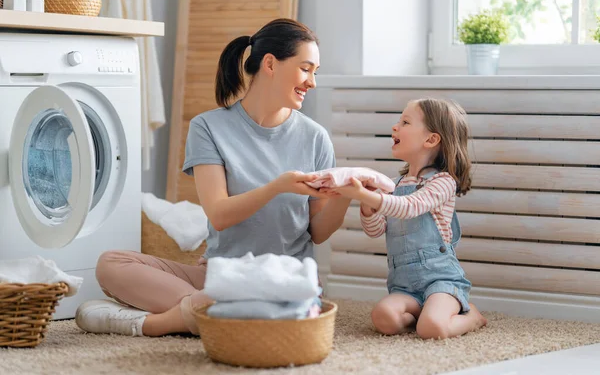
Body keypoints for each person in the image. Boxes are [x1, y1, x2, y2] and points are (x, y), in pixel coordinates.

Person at [75, 18, 351, 337]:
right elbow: (219, 215)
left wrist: (344, 196)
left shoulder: (315, 138)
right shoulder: (208, 128)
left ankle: (156, 323)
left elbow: (317, 232)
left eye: (314, 71)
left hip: (283, 280)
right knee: (111, 263)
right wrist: (278, 186)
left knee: (258, 304)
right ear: (271, 64)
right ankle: (216, 311)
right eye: (306, 69)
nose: (312, 82)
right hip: (221, 277)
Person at [325, 98, 487, 339]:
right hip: (404, 285)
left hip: (439, 280)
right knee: (383, 318)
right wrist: (367, 203)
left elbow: (410, 207)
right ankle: (423, 315)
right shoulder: (395, 185)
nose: (395, 127)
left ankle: (471, 317)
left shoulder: (442, 182)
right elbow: (376, 230)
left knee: (432, 330)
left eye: (405, 122)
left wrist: (365, 195)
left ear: (431, 139)